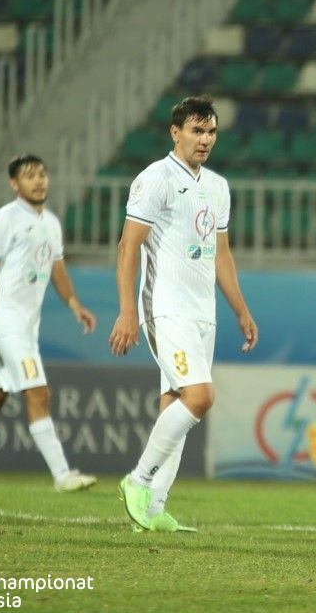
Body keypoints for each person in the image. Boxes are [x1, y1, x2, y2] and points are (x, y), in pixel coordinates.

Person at [109, 96, 258, 533]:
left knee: (175, 405)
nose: (205, 139)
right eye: (197, 131)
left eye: (211, 131)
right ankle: (136, 481)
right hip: (166, 307)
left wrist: (241, 310)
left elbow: (221, 256)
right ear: (175, 133)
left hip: (203, 313)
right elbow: (127, 246)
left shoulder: (217, 185)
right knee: (200, 397)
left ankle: (152, 510)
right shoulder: (154, 179)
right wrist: (126, 312)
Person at [0, 154, 98, 493]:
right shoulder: (4, 220)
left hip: (27, 326)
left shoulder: (51, 223)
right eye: (29, 176)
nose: (39, 181)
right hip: (7, 321)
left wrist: (75, 306)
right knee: (38, 392)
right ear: (14, 184)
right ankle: (62, 475)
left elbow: (58, 270)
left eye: (42, 174)